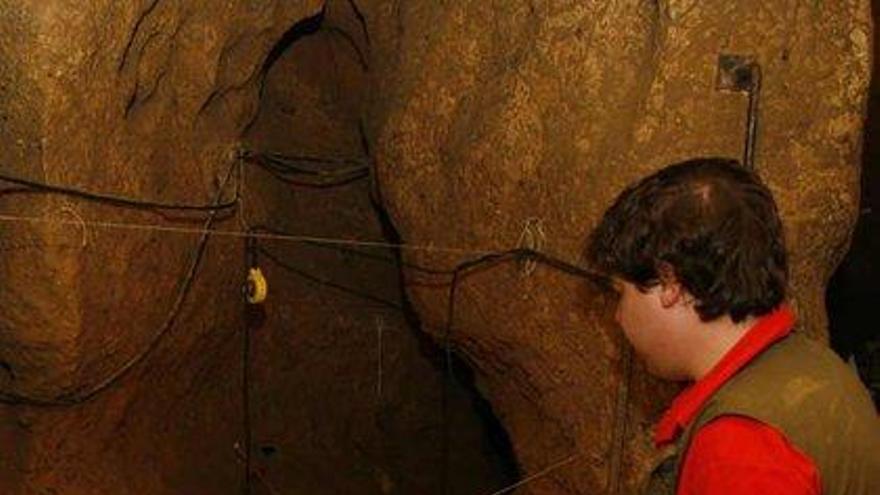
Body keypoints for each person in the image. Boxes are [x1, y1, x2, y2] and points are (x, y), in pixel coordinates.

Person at [585, 157, 880, 495]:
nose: (618, 316)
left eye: (620, 293)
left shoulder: (737, 445)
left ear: (669, 285)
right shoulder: (811, 365)